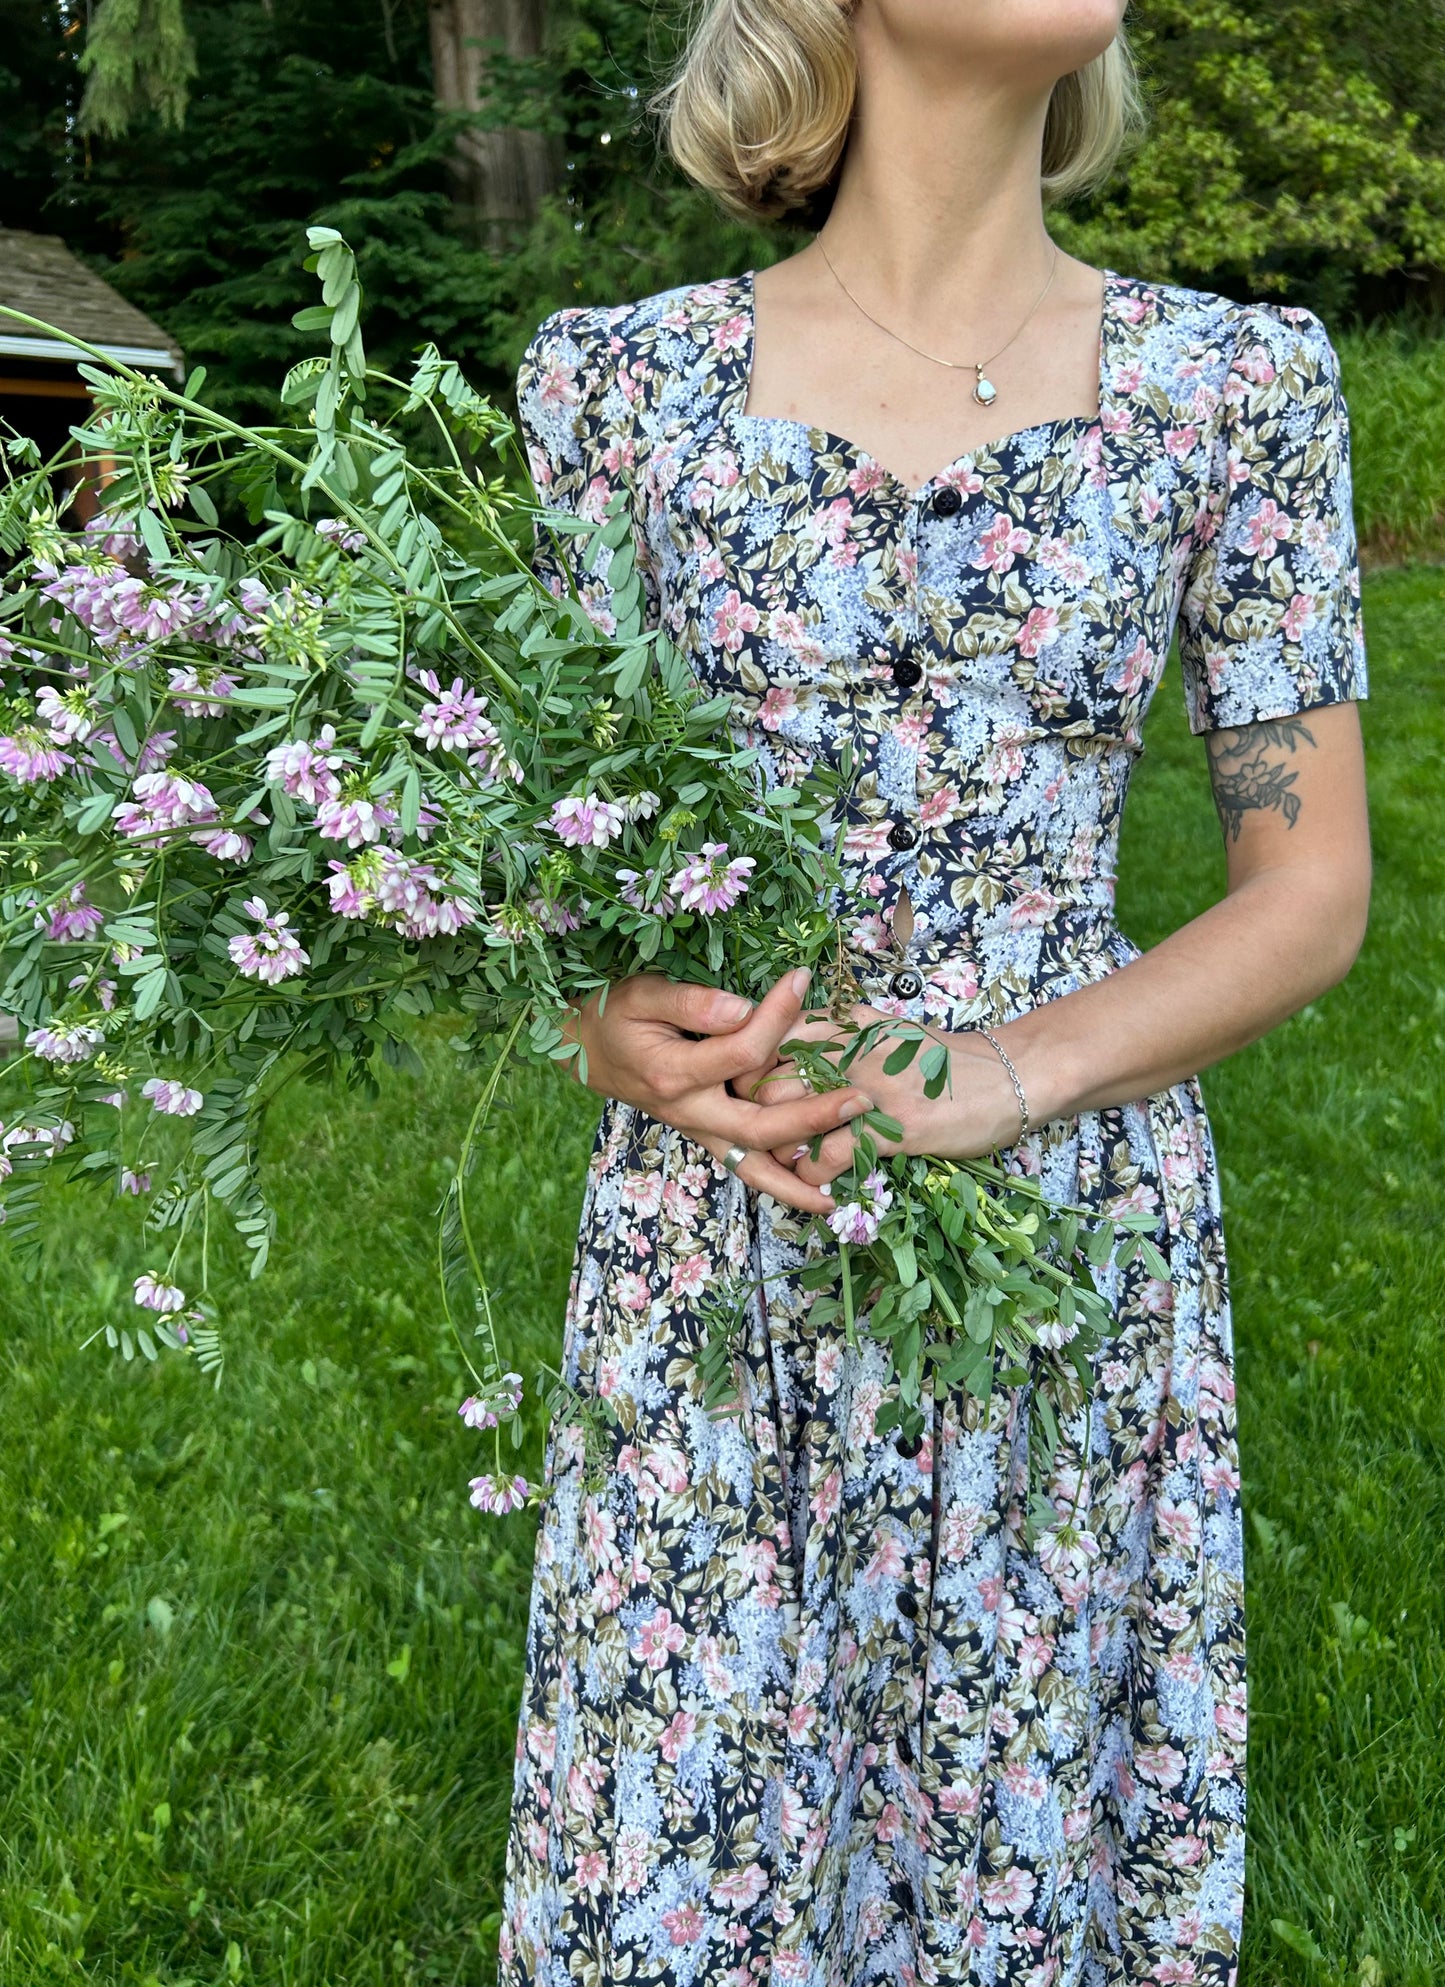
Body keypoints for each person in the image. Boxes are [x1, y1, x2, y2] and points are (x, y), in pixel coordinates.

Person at [500, 0, 1371, 1980]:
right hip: (732, 1236)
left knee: (1021, 1851)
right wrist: (600, 1017)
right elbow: (571, 866)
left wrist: (998, 1075)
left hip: (1068, 1239)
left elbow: (1308, 882)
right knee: (699, 1867)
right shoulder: (615, 389)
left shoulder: (1234, 386)